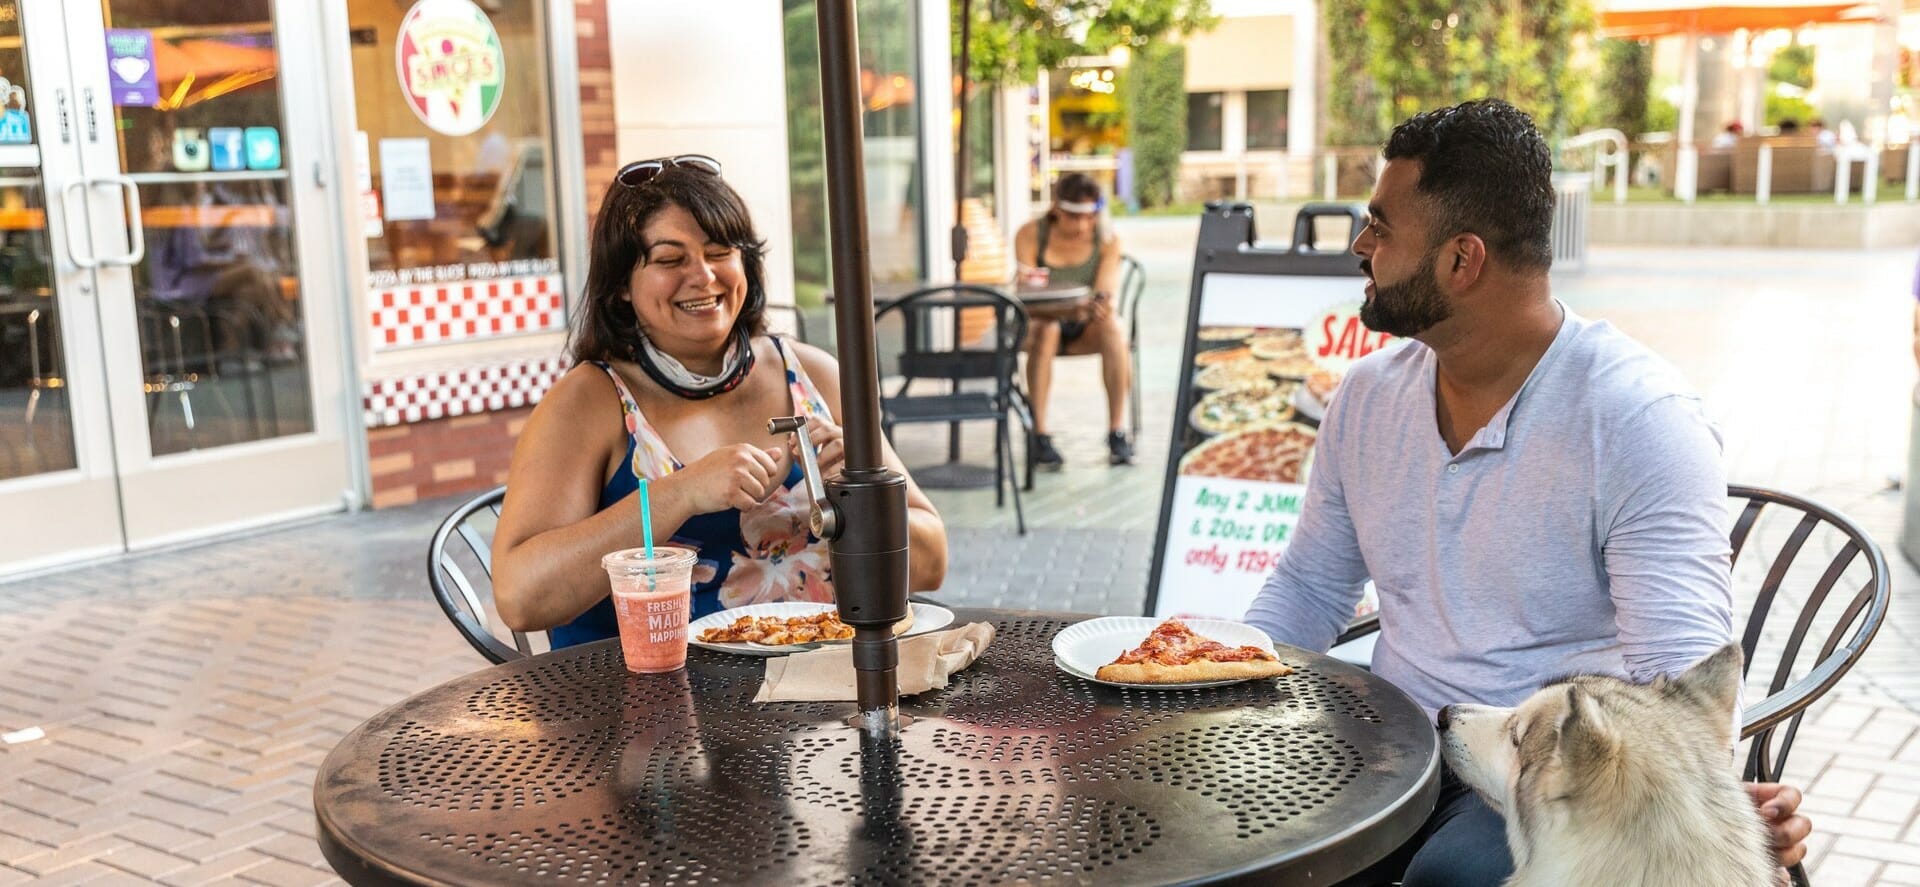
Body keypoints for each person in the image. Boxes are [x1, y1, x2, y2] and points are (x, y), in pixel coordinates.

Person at [1239, 100, 1811, 886]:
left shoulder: (1639, 420)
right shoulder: (1367, 397)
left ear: (1461, 261)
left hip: (1543, 776)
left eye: (1380, 226)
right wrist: (1216, 676)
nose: (1360, 247)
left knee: (1448, 880)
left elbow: (1681, 680)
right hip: (1390, 742)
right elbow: (1310, 583)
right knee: (1239, 834)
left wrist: (1701, 812)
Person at [491, 155, 949, 645]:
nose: (704, 277)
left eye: (719, 252)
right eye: (670, 259)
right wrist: (681, 492)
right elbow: (521, 598)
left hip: (822, 692)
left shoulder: (813, 376)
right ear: (622, 285)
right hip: (643, 705)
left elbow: (930, 564)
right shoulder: (589, 400)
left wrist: (860, 497)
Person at [1012, 172, 1134, 467]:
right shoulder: (1031, 234)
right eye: (1073, 217)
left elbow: (1104, 294)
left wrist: (1095, 306)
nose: (1082, 225)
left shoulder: (1106, 240)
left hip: (1084, 326)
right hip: (1040, 323)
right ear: (1056, 209)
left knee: (1114, 328)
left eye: (1089, 217)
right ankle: (1039, 434)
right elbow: (1026, 293)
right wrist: (1067, 309)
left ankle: (1116, 430)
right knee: (1047, 329)